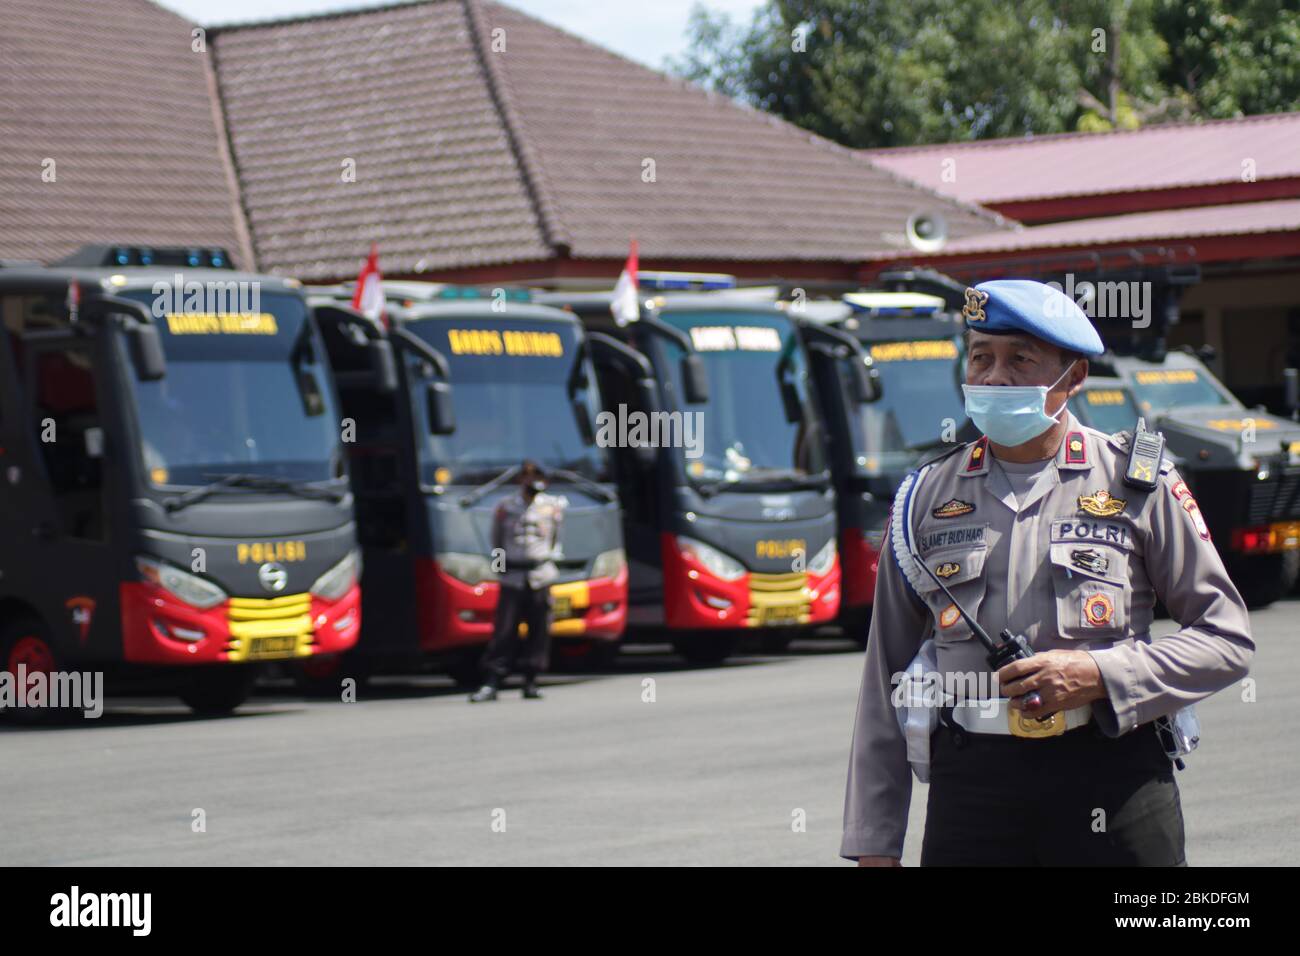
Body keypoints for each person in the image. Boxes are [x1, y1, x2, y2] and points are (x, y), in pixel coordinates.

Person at [840, 279, 1254, 866]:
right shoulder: (924, 496)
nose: (993, 378)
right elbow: (885, 676)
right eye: (981, 358)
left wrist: (1097, 672)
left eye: (1020, 361)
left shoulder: (1136, 484)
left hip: (1113, 776)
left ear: (1073, 378)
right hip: (973, 788)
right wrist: (873, 842)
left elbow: (1226, 639)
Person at [469, 462, 565, 702]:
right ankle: (492, 681)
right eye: (529, 477)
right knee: (504, 630)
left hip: (540, 576)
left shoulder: (551, 507)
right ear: (521, 479)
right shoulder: (506, 507)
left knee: (539, 630)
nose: (534, 482)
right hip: (513, 577)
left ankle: (531, 680)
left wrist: (545, 565)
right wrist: (502, 573)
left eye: (539, 477)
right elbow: (497, 541)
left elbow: (555, 540)